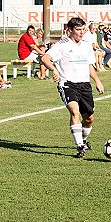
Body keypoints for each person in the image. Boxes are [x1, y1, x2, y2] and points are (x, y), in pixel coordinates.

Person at [41, 17, 105, 158]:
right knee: (74, 111)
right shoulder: (62, 45)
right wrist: (54, 69)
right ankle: (80, 147)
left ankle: (83, 140)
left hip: (84, 84)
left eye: (83, 29)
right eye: (78, 29)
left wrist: (97, 81)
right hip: (68, 84)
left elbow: (89, 65)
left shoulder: (87, 45)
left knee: (89, 118)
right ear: (69, 30)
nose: (81, 32)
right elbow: (45, 58)